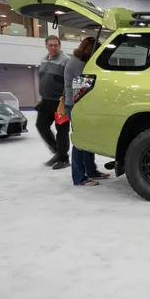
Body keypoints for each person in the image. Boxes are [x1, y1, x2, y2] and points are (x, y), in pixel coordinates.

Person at [61, 37, 110, 186]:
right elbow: (88, 85)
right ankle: (79, 178)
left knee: (88, 139)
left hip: (80, 105)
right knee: (80, 141)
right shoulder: (78, 65)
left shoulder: (79, 61)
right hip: (76, 106)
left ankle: (91, 171)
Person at [36, 35, 71, 169]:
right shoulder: (44, 60)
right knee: (41, 126)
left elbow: (69, 82)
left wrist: (66, 100)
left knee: (62, 131)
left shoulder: (66, 60)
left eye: (56, 45)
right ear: (46, 46)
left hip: (60, 102)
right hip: (45, 101)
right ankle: (58, 152)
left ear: (59, 46)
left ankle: (63, 159)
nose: (53, 47)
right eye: (50, 45)